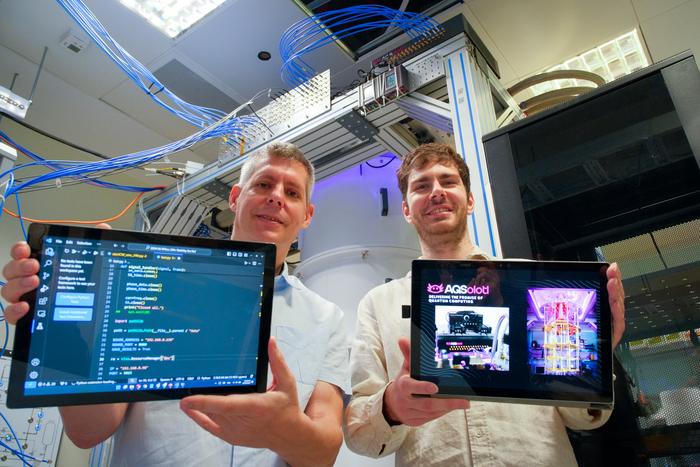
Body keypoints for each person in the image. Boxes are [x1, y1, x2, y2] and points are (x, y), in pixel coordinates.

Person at [1, 142, 349, 466]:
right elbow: (88, 431)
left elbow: (324, 452)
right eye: (263, 185)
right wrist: (68, 334)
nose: (277, 198)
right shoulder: (153, 282)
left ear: (307, 215)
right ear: (235, 197)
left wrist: (285, 432)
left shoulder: (326, 318)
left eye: (292, 192)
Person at [344, 143, 627, 466]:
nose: (436, 192)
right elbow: (359, 434)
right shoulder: (379, 304)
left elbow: (582, 417)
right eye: (422, 186)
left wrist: (597, 359)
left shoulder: (533, 289)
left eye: (448, 181)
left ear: (471, 199)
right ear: (407, 210)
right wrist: (390, 407)